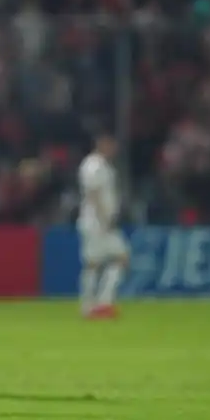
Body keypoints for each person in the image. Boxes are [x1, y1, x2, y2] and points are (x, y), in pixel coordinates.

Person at [77, 132, 129, 318]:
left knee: (116, 259)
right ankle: (93, 305)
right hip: (96, 222)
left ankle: (100, 303)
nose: (114, 148)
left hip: (101, 221)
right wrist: (103, 218)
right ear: (102, 143)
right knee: (96, 263)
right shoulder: (94, 165)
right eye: (111, 144)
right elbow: (93, 193)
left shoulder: (104, 165)